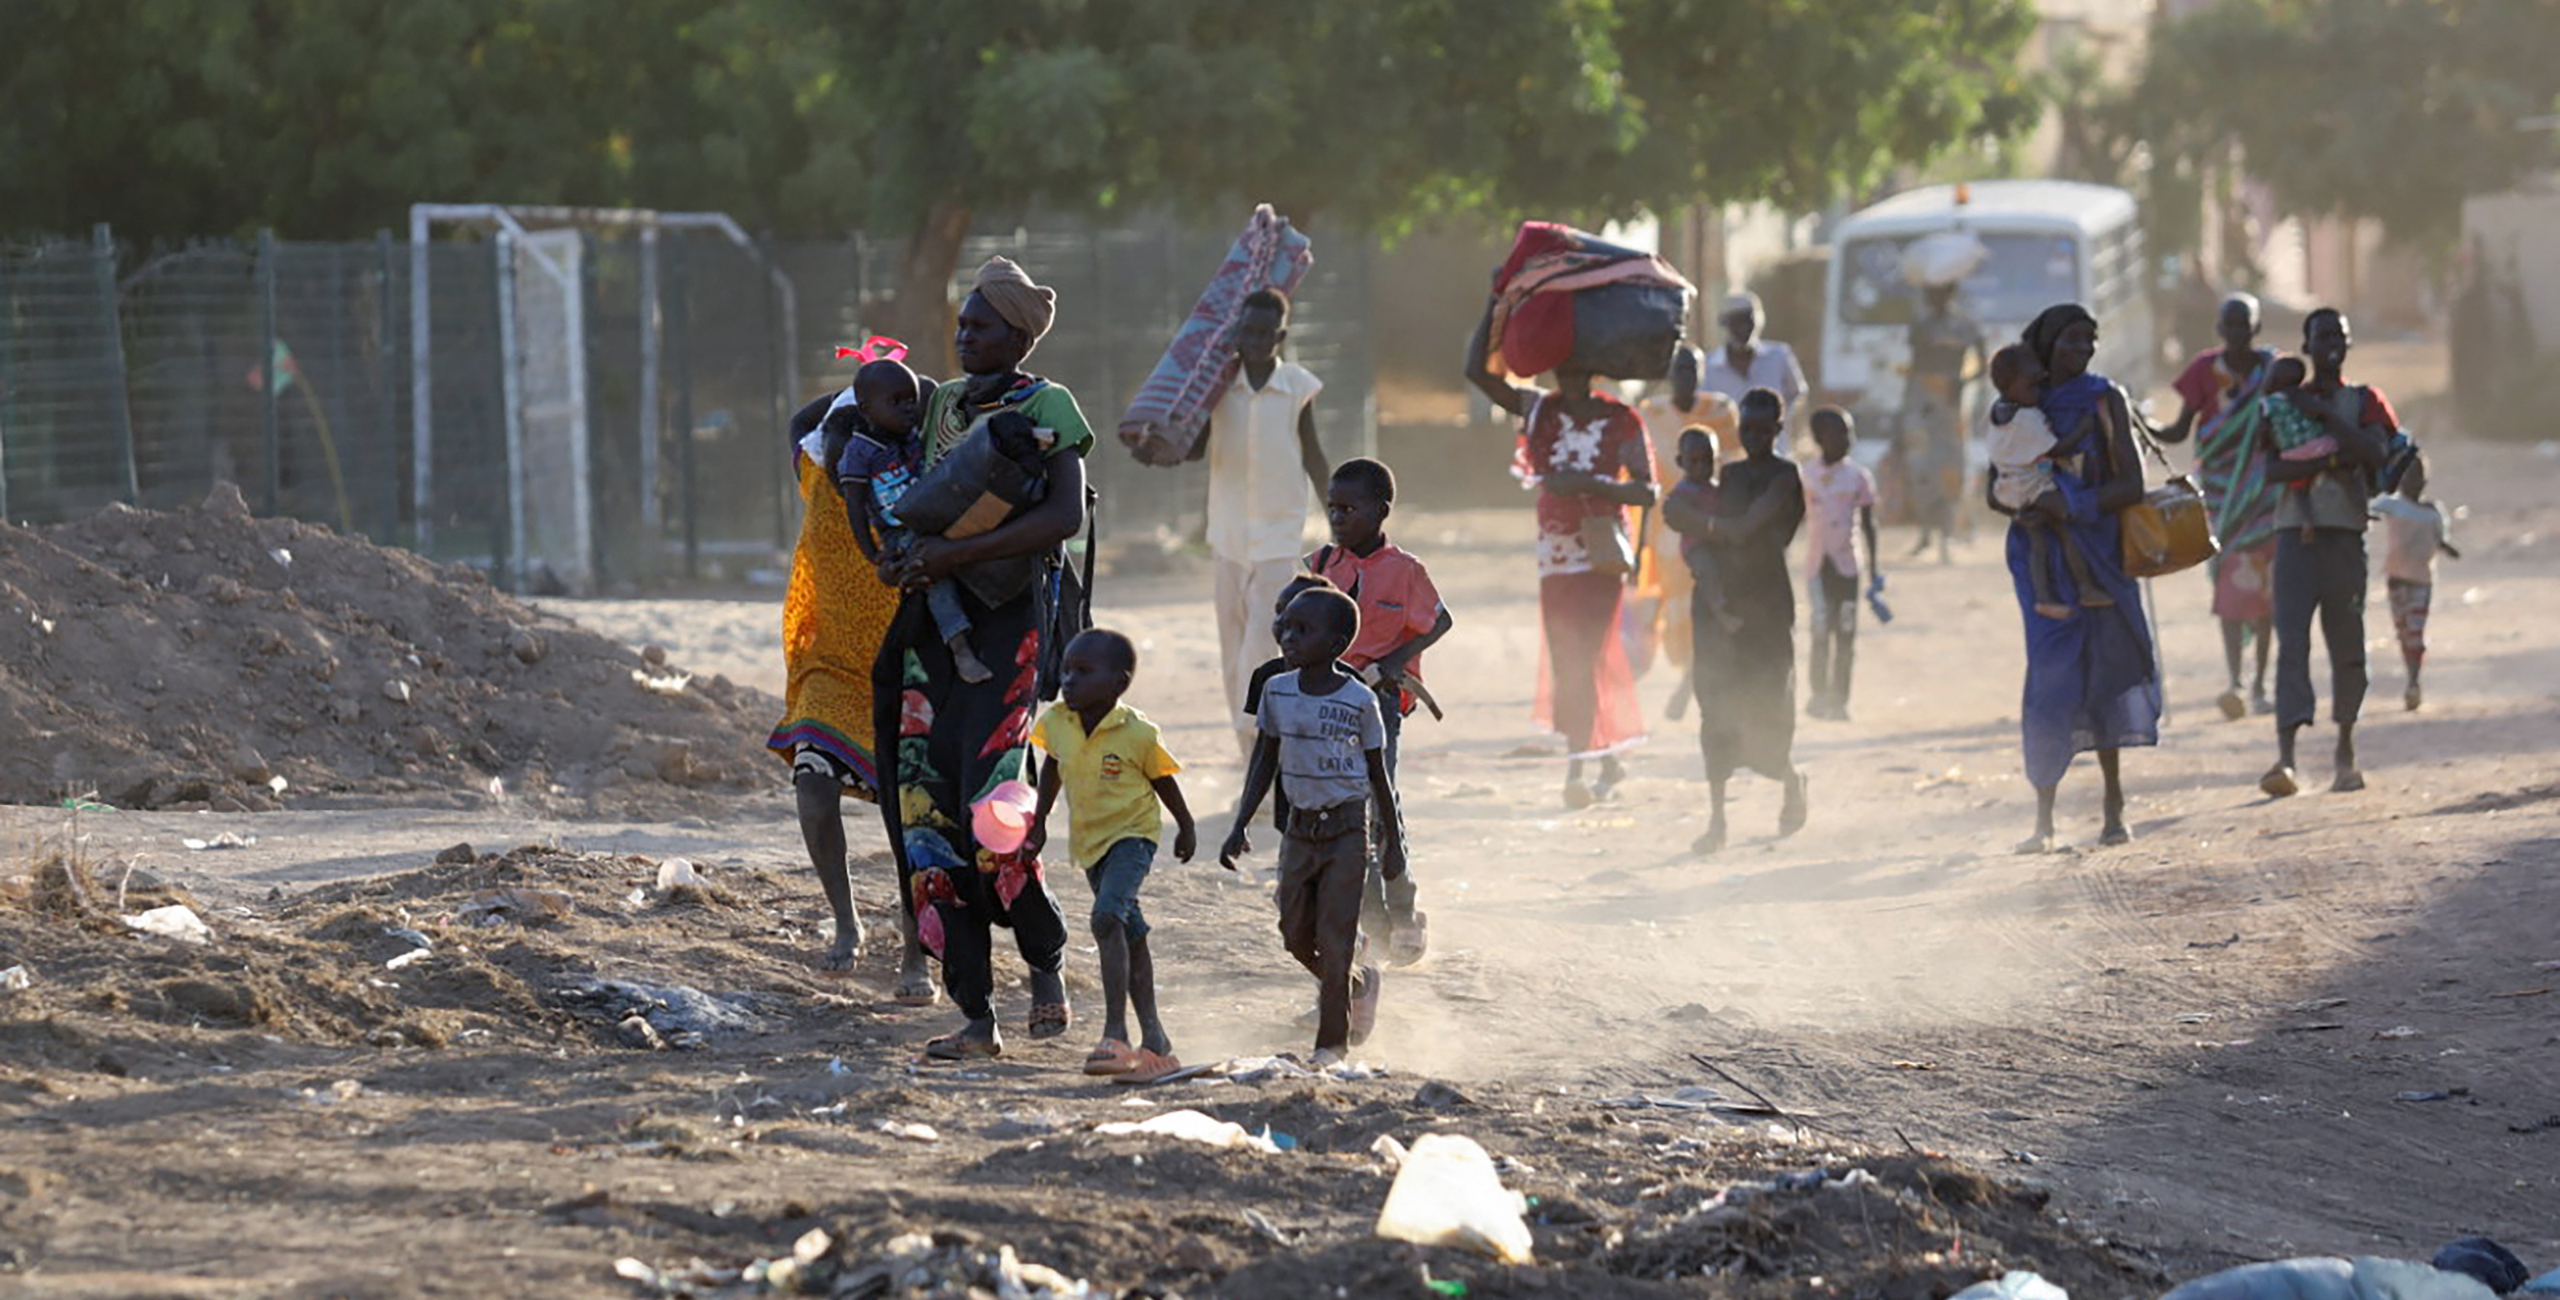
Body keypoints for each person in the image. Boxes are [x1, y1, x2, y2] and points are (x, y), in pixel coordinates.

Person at [874, 256, 1092, 1061]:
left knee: (995, 814)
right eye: (961, 325)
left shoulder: (1049, 405)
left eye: (980, 326)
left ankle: (1045, 964)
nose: (964, 337)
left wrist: (954, 559)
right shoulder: (940, 408)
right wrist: (908, 559)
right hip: (933, 633)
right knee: (927, 816)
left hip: (1008, 629)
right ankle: (975, 1014)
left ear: (1019, 334)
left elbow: (1063, 516)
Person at [1465, 299, 1658, 808]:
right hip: (1555, 554)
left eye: (1576, 368)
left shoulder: (1620, 420)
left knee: (1583, 653)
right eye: (1560, 368)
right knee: (1567, 653)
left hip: (1600, 552)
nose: (1567, 378)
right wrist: (1496, 302)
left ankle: (1577, 767)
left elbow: (1647, 492)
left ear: (1591, 368)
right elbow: (1475, 373)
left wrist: (1586, 485)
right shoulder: (1541, 409)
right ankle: (1606, 752)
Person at [767, 351, 921, 986]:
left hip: (908, 663)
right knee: (812, 783)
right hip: (831, 666)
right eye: (845, 428)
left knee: (911, 817)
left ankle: (918, 946)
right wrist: (858, 389)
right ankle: (846, 921)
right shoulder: (814, 467)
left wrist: (887, 393)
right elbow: (803, 420)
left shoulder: (909, 476)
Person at [1990, 304, 2160, 852]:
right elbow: (1993, 485)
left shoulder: (2104, 398)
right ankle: (2044, 818)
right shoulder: (2013, 408)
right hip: (2044, 567)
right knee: (2050, 681)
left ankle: (2114, 806)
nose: (2083, 350)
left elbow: (2132, 483)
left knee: (2106, 676)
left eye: (2090, 340)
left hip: (2101, 554)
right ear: (2045, 344)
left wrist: (2075, 504)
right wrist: (2031, 508)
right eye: (2070, 340)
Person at [1219, 586, 1408, 1066]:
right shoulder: (1276, 690)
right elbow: (1264, 759)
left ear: (1337, 641)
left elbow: (1377, 775)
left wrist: (1393, 844)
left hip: (1347, 829)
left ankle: (1331, 1046)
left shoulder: (1359, 700)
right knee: (1293, 931)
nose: (1288, 636)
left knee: (1335, 936)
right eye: (1285, 627)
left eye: (1303, 630)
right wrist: (1240, 823)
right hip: (1299, 830)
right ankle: (1354, 983)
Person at [1024, 629, 1198, 1084]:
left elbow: (1163, 779)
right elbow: (1053, 768)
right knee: (1130, 932)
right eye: (1066, 670)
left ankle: (1114, 1033)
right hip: (1091, 844)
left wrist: (1186, 824)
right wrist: (1039, 822)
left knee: (1105, 920)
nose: (1068, 681)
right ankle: (1156, 1039)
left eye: (1083, 672)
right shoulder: (1058, 721)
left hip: (1133, 837)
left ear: (1118, 684)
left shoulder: (1137, 731)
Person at [1306, 458, 1449, 967]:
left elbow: (1440, 620)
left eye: (1350, 508)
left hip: (1379, 702)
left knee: (1379, 803)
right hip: (1324, 700)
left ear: (1381, 511)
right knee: (1342, 811)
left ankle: (1404, 910)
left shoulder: (1405, 571)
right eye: (1332, 508)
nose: (1338, 517)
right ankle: (1373, 922)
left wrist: (1389, 665)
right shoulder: (1321, 565)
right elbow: (1294, 623)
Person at [2257, 308, 2398, 798]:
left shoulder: (2362, 400)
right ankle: (2287, 757)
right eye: (2322, 336)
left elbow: (2379, 454)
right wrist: (2340, 453)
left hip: (2344, 533)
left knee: (2347, 645)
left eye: (2339, 335)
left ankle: (2345, 749)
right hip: (2295, 535)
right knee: (2291, 645)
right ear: (2307, 344)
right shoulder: (2282, 402)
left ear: (2349, 342)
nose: (2331, 344)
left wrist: (2323, 422)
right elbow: (2269, 469)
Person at [1666, 388, 1807, 853]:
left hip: (1767, 604)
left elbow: (1746, 527)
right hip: (1721, 604)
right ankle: (1718, 819)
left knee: (1769, 705)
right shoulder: (1730, 474)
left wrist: (1694, 523)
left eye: (1764, 430)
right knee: (1718, 708)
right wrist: (1685, 518)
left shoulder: (1786, 476)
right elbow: (1684, 512)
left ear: (1778, 429)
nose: (1754, 437)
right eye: (1747, 429)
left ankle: (1789, 779)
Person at [1203, 287, 1329, 757]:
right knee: (1231, 643)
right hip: (1228, 534)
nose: (1253, 341)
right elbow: (1194, 447)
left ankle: (1261, 738)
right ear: (1236, 333)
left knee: (1263, 638)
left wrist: (1339, 519)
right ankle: (1244, 744)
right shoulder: (1218, 385)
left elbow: (1313, 454)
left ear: (1280, 336)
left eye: (1263, 333)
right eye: (1246, 332)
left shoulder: (1297, 386)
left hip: (1279, 534)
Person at [823, 358, 999, 685]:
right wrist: (873, 553)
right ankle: (960, 647)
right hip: (901, 532)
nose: (907, 408)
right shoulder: (859, 452)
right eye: (896, 402)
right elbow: (855, 507)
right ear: (866, 409)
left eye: (911, 401)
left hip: (936, 515)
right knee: (932, 577)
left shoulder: (912, 435)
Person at [2157, 294, 2281, 719]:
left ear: (2257, 328)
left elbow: (2286, 419)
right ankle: (2236, 682)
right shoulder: (2202, 371)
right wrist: (2136, 421)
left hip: (2265, 492)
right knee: (2231, 587)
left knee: (2266, 592)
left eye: (2244, 325)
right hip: (2222, 495)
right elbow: (2177, 430)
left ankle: (2262, 684)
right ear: (2219, 329)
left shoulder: (2272, 370)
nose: (2237, 334)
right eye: (2230, 325)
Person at [1985, 343, 2112, 622]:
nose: (2038, 392)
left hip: (2007, 488)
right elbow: (2058, 449)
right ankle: (2085, 586)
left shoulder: (1996, 413)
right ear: (2010, 385)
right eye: (2032, 387)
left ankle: (2044, 598)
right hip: (2033, 487)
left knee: (2038, 542)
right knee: (2068, 528)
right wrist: (2084, 429)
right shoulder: (2028, 418)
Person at [1800, 407, 1881, 720]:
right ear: (1821, 439)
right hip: (1817, 567)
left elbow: (1869, 524)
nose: (1848, 440)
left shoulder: (1858, 477)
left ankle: (1840, 699)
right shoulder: (1806, 475)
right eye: (1840, 434)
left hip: (1848, 566)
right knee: (1820, 630)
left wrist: (1874, 569)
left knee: (1845, 633)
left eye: (1849, 433)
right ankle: (1819, 696)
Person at [1900, 281, 1984, 564]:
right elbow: (1915, 363)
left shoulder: (1965, 324)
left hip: (1952, 401)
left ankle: (1951, 533)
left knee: (1953, 466)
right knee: (1921, 466)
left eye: (1938, 292)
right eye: (1929, 292)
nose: (1932, 297)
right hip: (1922, 400)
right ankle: (1925, 532)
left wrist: (1963, 381)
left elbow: (1981, 364)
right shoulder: (1919, 324)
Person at [2370, 455, 2458, 712]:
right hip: (2397, 580)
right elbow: (2367, 509)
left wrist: (2447, 548)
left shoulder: (2432, 513)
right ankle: (2412, 680)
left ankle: (2413, 682)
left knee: (2414, 632)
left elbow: (2440, 540)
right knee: (2404, 631)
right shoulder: (2393, 506)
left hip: (2420, 580)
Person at [1695, 292, 1807, 457]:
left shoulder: (1779, 356)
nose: (1744, 328)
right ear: (1725, 324)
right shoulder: (1708, 366)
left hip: (1775, 454)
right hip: (1728, 457)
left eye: (1749, 321)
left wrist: (1780, 425)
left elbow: (1797, 395)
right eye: (1737, 322)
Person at [1662, 427, 1734, 635]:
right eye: (1694, 461)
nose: (1701, 467)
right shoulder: (1683, 491)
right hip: (1696, 546)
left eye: (1708, 461)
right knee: (1707, 570)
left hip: (1716, 544)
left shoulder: (1716, 488)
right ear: (1680, 461)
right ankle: (1721, 610)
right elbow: (1673, 513)